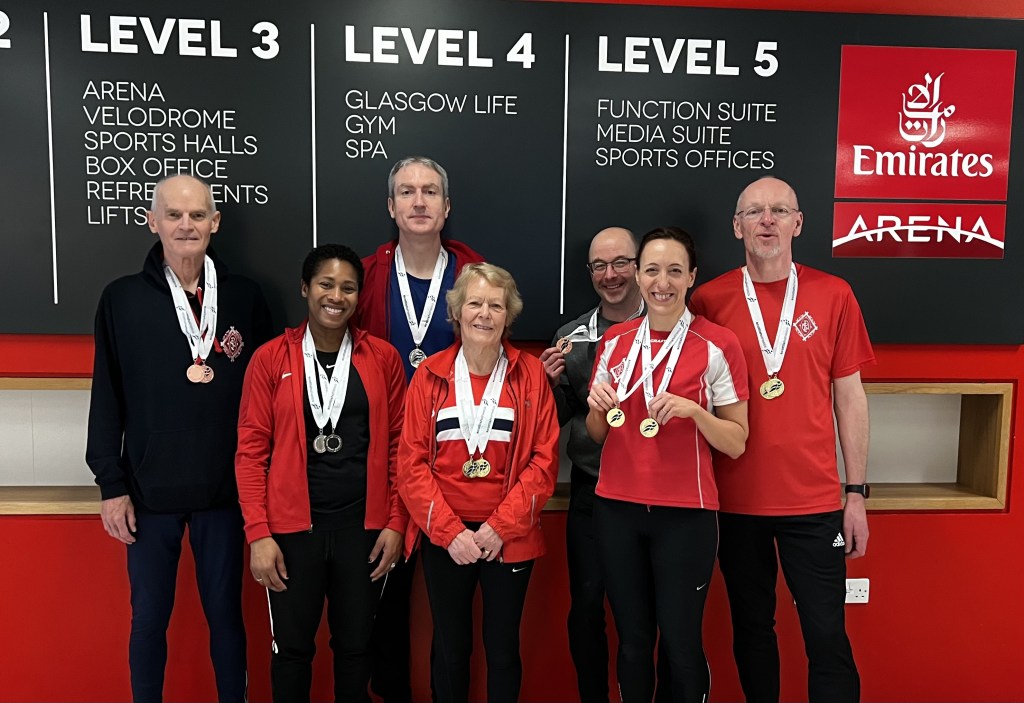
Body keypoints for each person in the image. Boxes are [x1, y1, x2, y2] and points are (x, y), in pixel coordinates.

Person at [86, 173, 272, 702]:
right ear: (153, 222)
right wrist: (111, 484)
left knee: (227, 617)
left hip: (225, 492)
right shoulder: (121, 299)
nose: (185, 225)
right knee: (148, 620)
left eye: (196, 215)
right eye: (173, 214)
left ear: (215, 222)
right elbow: (107, 396)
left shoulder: (245, 297)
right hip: (149, 495)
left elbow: (269, 399)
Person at [689, 176, 873, 703]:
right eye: (754, 212)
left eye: (779, 211)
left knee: (827, 635)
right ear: (737, 226)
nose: (766, 220)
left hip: (814, 503)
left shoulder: (835, 295)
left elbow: (850, 398)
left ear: (798, 223)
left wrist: (856, 493)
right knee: (752, 632)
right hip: (735, 503)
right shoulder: (708, 300)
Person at [235, 244, 407, 702]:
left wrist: (396, 522)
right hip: (291, 533)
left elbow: (399, 448)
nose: (336, 296)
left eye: (348, 288)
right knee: (292, 651)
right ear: (305, 289)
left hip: (363, 530)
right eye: (326, 284)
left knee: (356, 649)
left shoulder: (384, 359)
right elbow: (250, 453)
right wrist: (258, 534)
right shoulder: (270, 359)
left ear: (358, 296)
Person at [585, 227, 749, 703]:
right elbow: (598, 433)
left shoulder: (718, 344)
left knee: (681, 644)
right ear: (637, 275)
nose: (663, 282)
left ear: (692, 277)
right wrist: (597, 408)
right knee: (633, 643)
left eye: (675, 271)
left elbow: (737, 442)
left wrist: (696, 412)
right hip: (617, 510)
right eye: (652, 270)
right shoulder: (614, 341)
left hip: (686, 515)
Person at [398, 263, 559, 703]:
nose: (484, 314)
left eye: (496, 306)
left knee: (502, 648)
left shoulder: (530, 376)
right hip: (445, 536)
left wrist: (497, 529)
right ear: (457, 312)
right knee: (451, 647)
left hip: (509, 536)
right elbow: (410, 464)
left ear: (509, 316)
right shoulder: (429, 375)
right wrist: (451, 534)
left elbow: (544, 462)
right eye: (475, 303)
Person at [356, 155, 485, 703]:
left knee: (453, 605)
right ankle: (390, 693)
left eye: (429, 191)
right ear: (391, 207)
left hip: (459, 458)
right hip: (387, 458)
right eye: (406, 192)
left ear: (446, 206)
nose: (418, 201)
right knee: (385, 593)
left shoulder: (475, 276)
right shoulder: (367, 276)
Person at [538, 226, 644, 703]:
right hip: (593, 490)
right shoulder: (571, 338)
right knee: (585, 608)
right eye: (599, 266)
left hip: (653, 492)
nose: (610, 275)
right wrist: (548, 387)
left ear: (639, 266)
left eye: (620, 262)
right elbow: (557, 419)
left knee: (644, 613)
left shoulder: (671, 327)